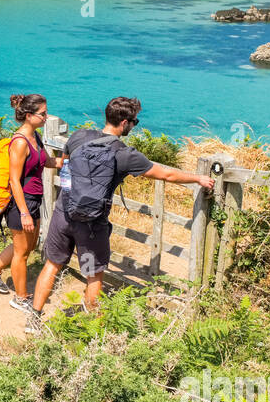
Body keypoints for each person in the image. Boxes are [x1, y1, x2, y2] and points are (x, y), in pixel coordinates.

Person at [26, 96, 212, 330]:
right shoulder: (124, 154)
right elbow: (167, 174)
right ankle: (93, 330)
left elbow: (65, 166)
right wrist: (198, 178)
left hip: (64, 211)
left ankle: (33, 319)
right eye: (134, 122)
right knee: (94, 273)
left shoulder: (78, 136)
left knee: (52, 264)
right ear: (124, 123)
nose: (134, 126)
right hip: (92, 223)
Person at [0, 94, 62, 312]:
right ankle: (21, 297)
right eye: (42, 114)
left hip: (34, 199)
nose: (46, 117)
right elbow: (14, 180)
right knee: (22, 253)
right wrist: (24, 212)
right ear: (28, 115)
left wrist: (70, 159)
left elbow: (45, 161)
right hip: (20, 203)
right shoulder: (20, 142)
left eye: (46, 112)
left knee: (28, 246)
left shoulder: (35, 136)